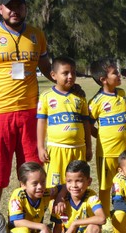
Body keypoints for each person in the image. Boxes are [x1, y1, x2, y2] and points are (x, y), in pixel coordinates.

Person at [0, 0, 54, 211]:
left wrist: (67, 82)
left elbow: (47, 68)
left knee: (31, 171)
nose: (14, 10)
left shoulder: (37, 35)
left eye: (18, 5)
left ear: (25, 8)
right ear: (1, 9)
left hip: (31, 115)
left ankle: (28, 221)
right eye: (9, 6)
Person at [37, 56, 92, 188]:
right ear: (53, 75)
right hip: (56, 149)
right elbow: (41, 123)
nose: (70, 76)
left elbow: (86, 125)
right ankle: (55, 208)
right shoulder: (46, 96)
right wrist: (40, 147)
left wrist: (88, 147)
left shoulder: (80, 97)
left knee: (78, 184)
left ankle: (76, 208)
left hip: (78, 149)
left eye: (73, 73)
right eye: (65, 73)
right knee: (55, 186)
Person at [88, 58, 126, 218]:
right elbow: (88, 124)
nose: (119, 75)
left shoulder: (121, 93)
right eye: (115, 73)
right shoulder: (96, 102)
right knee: (106, 186)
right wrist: (98, 136)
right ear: (103, 79)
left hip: (125, 151)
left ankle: (125, 212)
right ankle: (104, 215)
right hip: (107, 153)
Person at [59, 160, 106, 233]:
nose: (74, 186)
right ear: (65, 182)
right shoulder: (62, 200)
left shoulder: (91, 197)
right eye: (69, 181)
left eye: (79, 181)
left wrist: (75, 223)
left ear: (88, 181)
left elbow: (102, 218)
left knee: (94, 228)